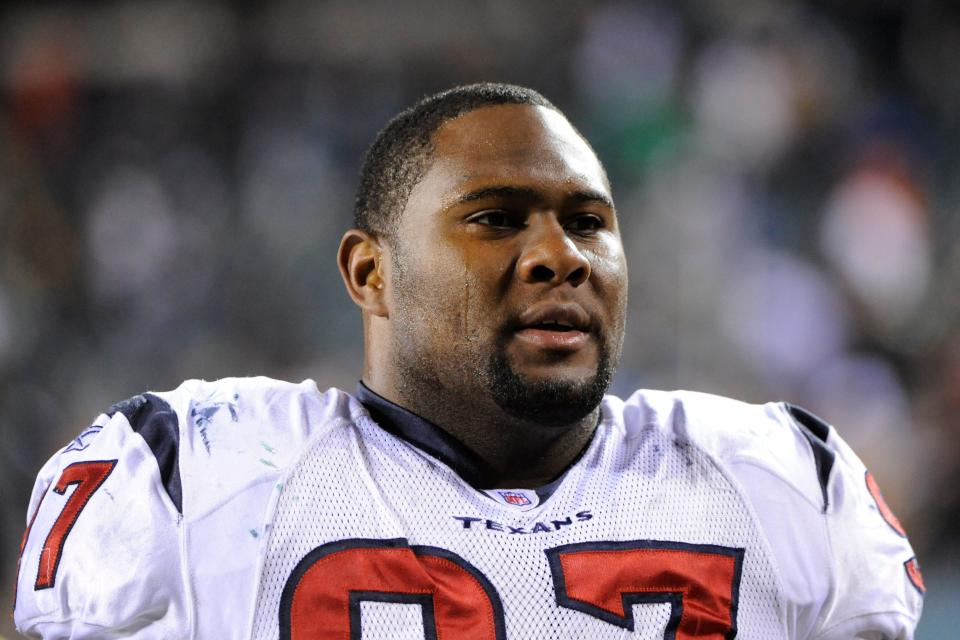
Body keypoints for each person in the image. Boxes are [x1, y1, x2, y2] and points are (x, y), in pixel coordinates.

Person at [14, 83, 923, 639]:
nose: (559, 254)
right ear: (371, 273)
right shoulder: (191, 478)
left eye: (589, 221)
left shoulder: (776, 483)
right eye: (496, 218)